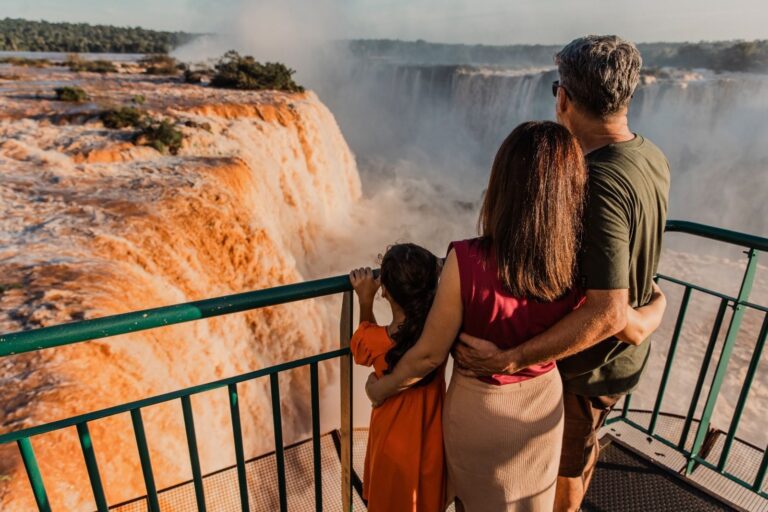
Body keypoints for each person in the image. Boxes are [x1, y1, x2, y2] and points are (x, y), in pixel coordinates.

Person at [451, 35, 671, 512]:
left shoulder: (596, 184)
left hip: (586, 370)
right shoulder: (649, 156)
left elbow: (608, 312)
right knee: (581, 452)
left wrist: (511, 358)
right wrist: (651, 312)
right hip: (620, 362)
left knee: (561, 476)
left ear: (564, 97)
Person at [348, 243, 445, 512]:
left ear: (385, 292)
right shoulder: (438, 338)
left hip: (392, 443)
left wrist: (365, 300)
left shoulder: (375, 340)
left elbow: (360, 352)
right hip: (431, 438)